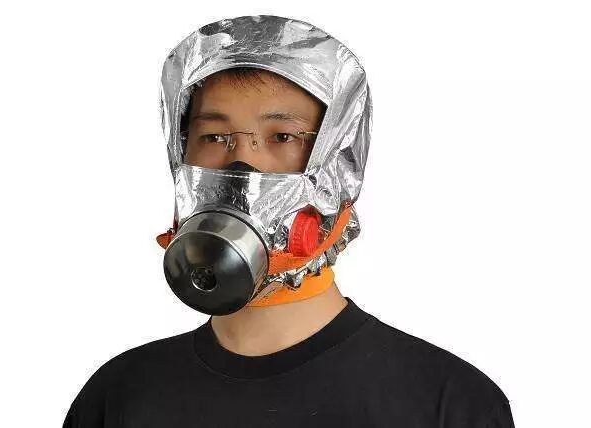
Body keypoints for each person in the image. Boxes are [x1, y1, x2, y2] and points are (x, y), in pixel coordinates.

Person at [62, 15, 515, 427]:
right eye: (214, 136)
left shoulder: (449, 406)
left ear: (337, 167)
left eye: (282, 136)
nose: (242, 166)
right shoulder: (118, 398)